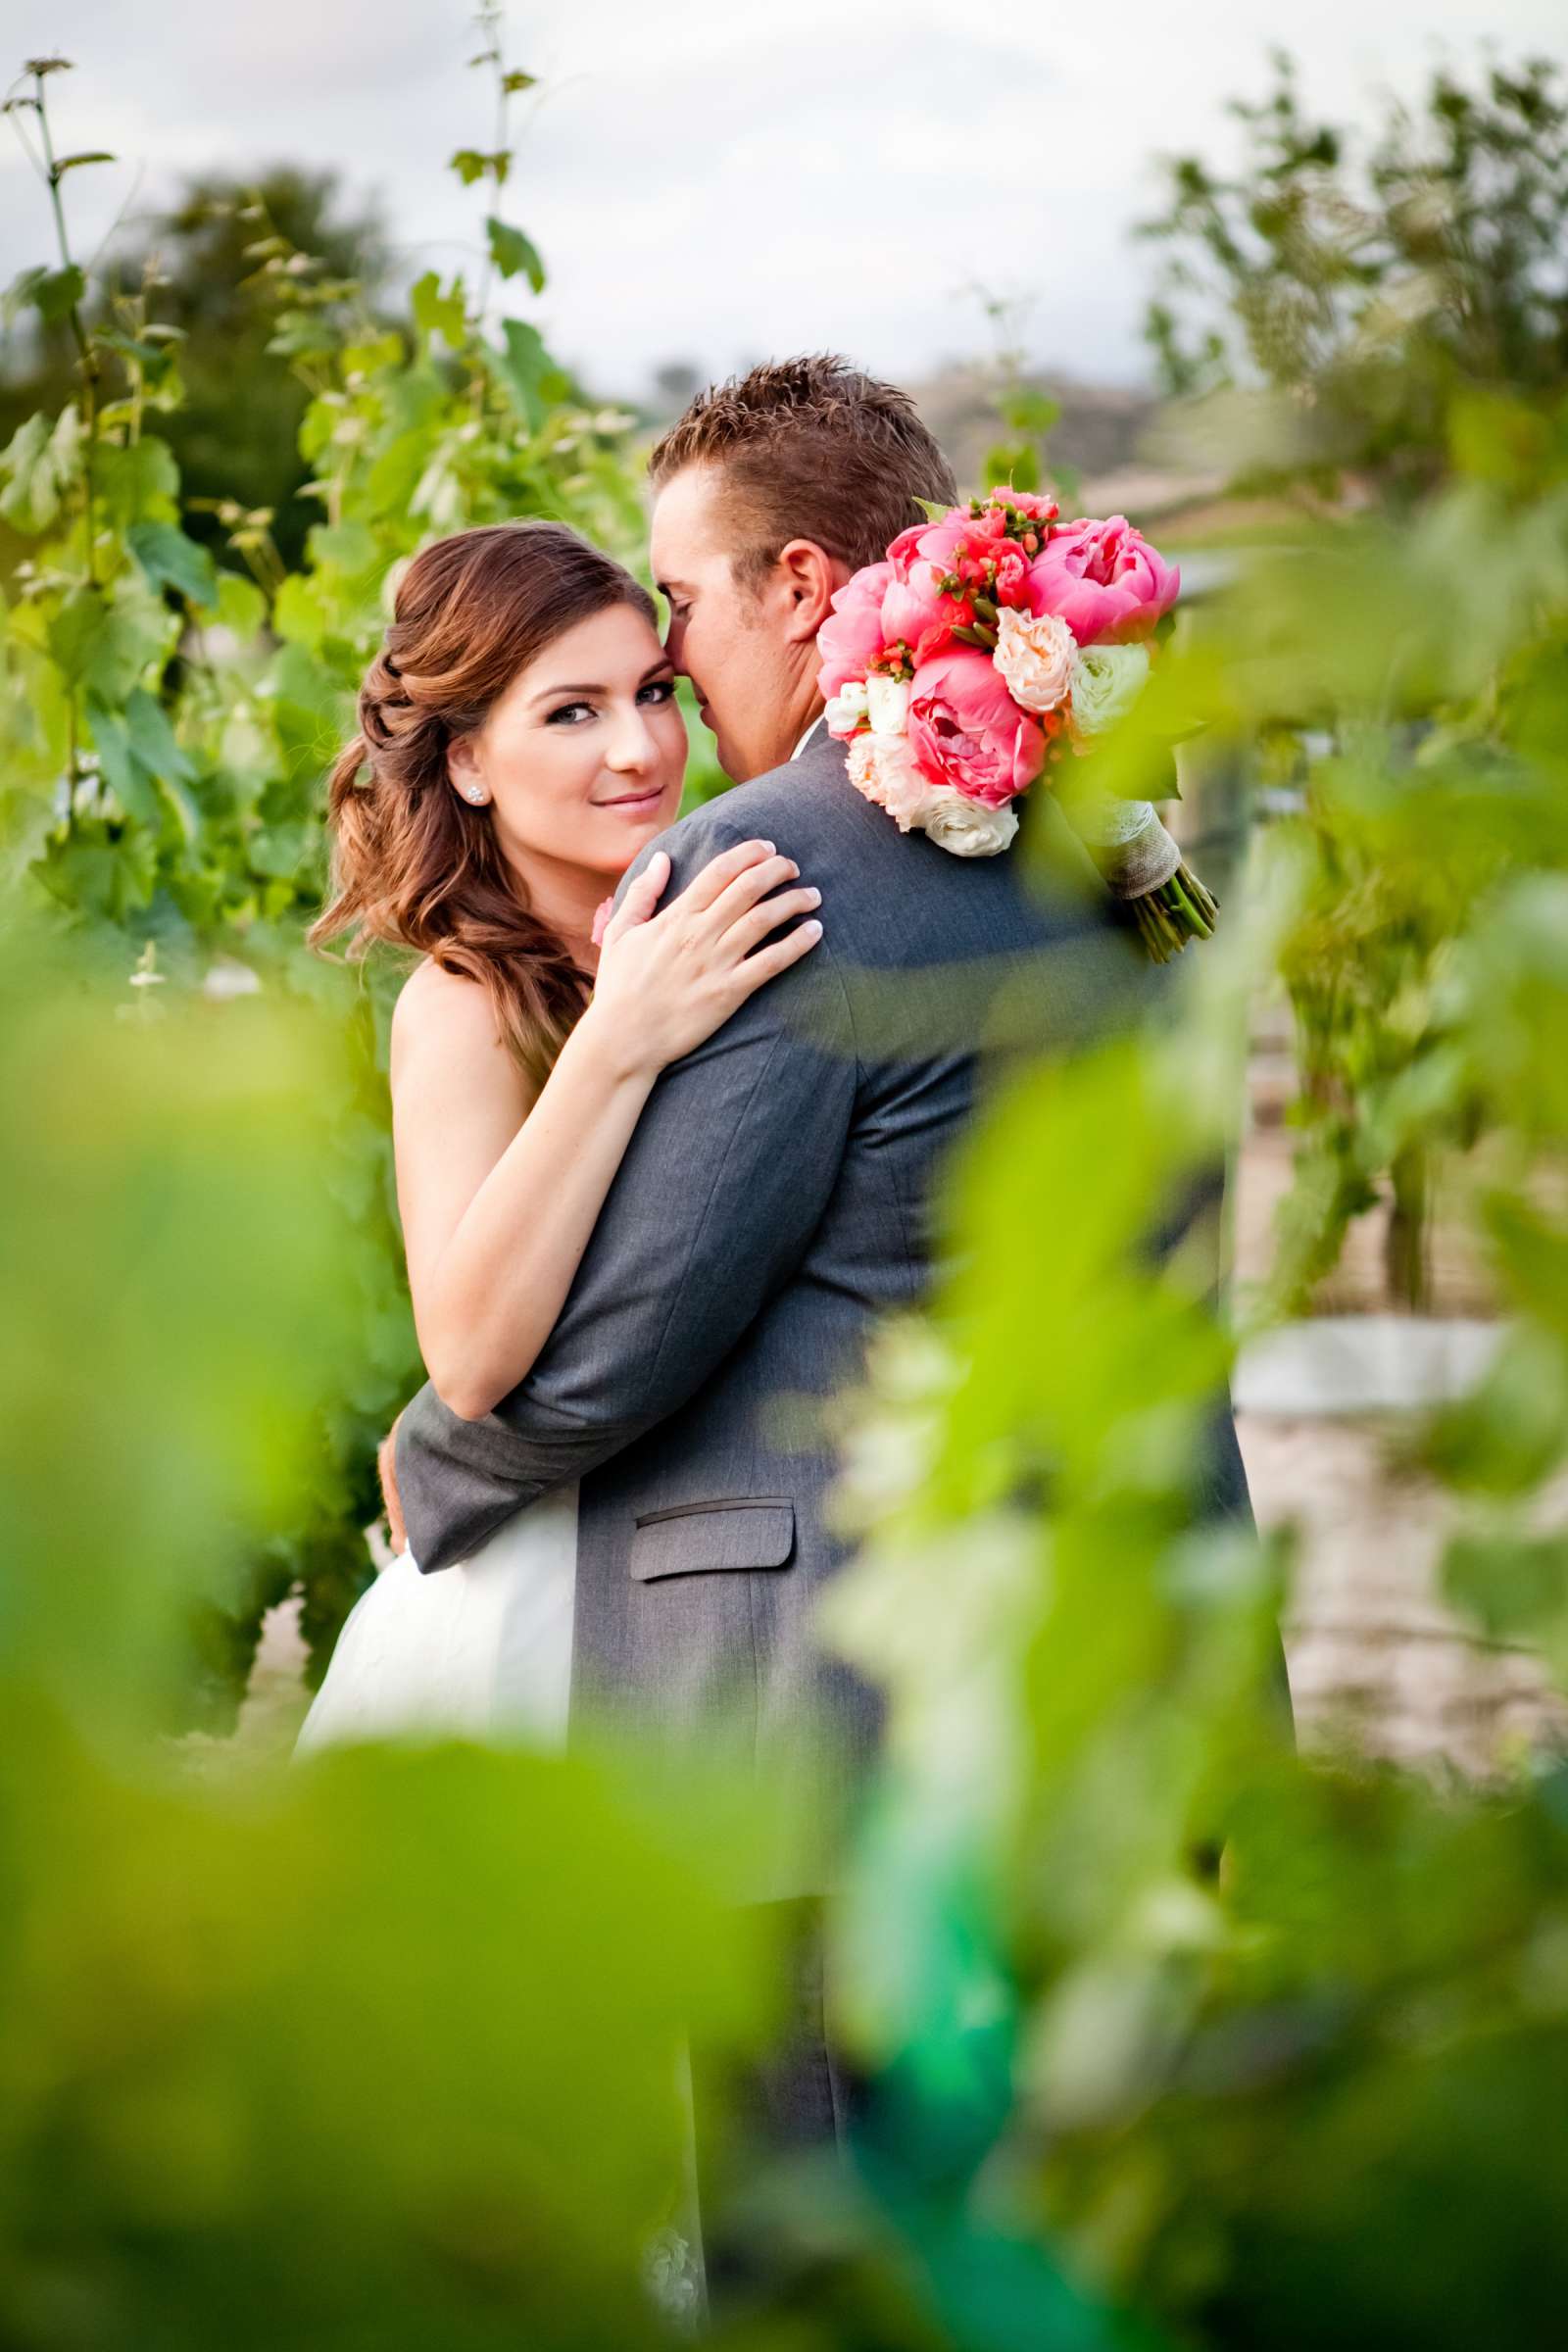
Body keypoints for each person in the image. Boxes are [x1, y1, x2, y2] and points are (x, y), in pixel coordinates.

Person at [384, 356, 1256, 2215]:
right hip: (1119, 1652)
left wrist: (431, 1473)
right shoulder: (1115, 849)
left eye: (677, 612)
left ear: (798, 588)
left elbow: (625, 1335)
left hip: (824, 1728)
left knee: (838, 2266)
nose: (671, 687)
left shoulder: (770, 856)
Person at [295, 517, 822, 1755]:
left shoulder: (719, 920)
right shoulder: (465, 1005)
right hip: (536, 1602)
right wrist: (620, 1035)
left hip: (726, 1589)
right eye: (570, 712)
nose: (640, 749)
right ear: (470, 761)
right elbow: (471, 1359)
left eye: (652, 692)